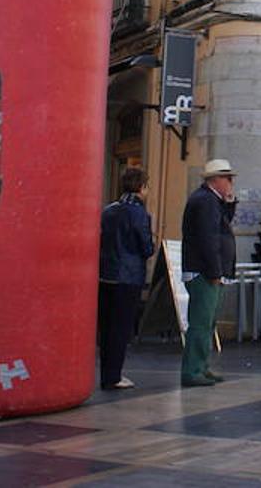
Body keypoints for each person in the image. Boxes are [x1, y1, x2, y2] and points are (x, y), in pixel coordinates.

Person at [181, 159, 237, 387]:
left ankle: (201, 367)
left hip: (205, 271)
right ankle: (193, 370)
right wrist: (215, 271)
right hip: (203, 272)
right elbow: (208, 239)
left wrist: (230, 203)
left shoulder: (211, 200)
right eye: (228, 178)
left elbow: (220, 228)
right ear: (215, 179)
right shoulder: (205, 201)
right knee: (201, 323)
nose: (231, 182)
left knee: (207, 322)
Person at [98, 167, 154, 390]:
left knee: (107, 328)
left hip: (106, 274)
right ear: (141, 187)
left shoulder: (109, 210)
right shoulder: (140, 213)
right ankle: (114, 376)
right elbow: (146, 247)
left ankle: (106, 373)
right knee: (121, 328)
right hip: (129, 276)